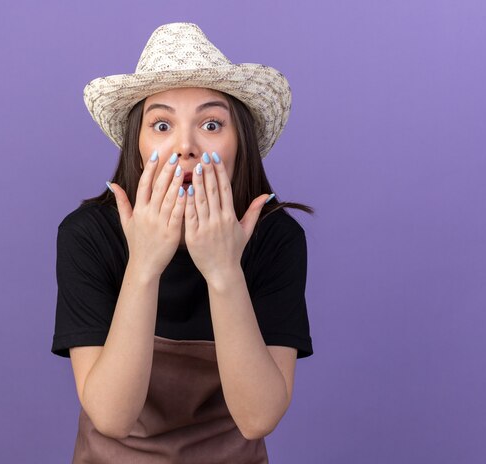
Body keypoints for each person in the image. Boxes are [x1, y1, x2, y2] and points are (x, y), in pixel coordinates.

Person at [51, 22, 314, 463]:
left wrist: (224, 269)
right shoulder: (88, 235)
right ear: (137, 144)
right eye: (161, 125)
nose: (185, 146)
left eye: (211, 124)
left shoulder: (275, 238)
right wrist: (144, 265)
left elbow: (258, 419)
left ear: (239, 144)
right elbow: (111, 417)